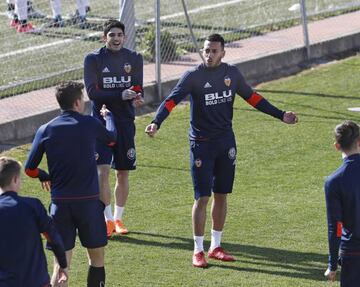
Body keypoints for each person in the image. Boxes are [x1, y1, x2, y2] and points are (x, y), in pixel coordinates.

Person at [145, 33, 298, 268]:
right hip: (201, 145)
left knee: (222, 194)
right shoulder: (193, 76)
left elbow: (253, 97)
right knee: (202, 197)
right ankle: (198, 250)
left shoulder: (232, 74)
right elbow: (171, 100)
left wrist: (280, 115)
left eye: (214, 51)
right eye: (206, 50)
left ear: (223, 53)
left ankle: (216, 246)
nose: (209, 54)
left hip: (226, 143)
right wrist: (157, 122)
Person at [24, 81, 117, 287]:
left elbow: (29, 169)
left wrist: (43, 175)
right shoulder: (90, 124)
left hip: (60, 206)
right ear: (77, 102)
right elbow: (111, 139)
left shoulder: (46, 129)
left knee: (61, 266)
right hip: (89, 205)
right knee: (97, 261)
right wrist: (109, 118)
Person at [84, 19, 144, 238]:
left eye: (119, 35)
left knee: (123, 173)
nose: (116, 39)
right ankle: (107, 219)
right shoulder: (93, 60)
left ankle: (118, 218)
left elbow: (138, 87)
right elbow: (92, 92)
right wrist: (119, 95)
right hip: (101, 123)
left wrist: (138, 97)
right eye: (112, 35)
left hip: (126, 123)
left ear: (124, 37)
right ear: (104, 37)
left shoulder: (134, 58)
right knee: (102, 172)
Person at [0, 156, 67, 286]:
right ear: (15, 179)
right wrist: (62, 265)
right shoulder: (33, 206)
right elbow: (53, 237)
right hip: (36, 281)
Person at [324, 120, 360, 286]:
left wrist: (332, 265)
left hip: (352, 253)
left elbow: (336, 226)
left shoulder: (334, 181)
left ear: (337, 146)